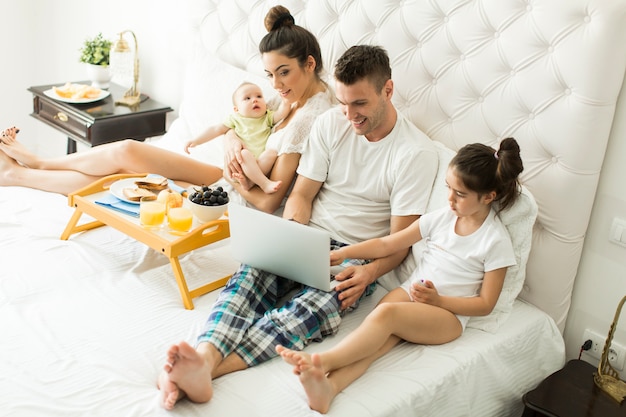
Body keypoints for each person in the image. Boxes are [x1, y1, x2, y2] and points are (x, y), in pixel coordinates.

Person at [157, 43, 439, 410]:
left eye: (360, 104)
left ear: (388, 90)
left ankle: (207, 370)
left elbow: (400, 242)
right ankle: (205, 357)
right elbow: (302, 196)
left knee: (308, 312)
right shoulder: (329, 124)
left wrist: (370, 273)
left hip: (356, 255)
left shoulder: (415, 153)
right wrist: (290, 235)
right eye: (343, 103)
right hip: (306, 235)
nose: (350, 115)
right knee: (246, 281)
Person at [276, 138, 524, 414]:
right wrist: (341, 254)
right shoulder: (442, 217)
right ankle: (329, 388)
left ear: (488, 196)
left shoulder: (494, 241)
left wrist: (439, 301)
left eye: (461, 194)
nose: (450, 199)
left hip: (448, 315)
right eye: (448, 189)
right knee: (376, 335)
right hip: (412, 292)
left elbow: (485, 304)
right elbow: (388, 244)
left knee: (386, 316)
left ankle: (322, 362)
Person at [0, 8, 330, 215]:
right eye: (270, 75)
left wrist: (234, 174)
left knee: (127, 161)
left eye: (283, 72)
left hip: (229, 188)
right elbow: (242, 123)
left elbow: (270, 202)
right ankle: (24, 171)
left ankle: (31, 167)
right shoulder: (288, 97)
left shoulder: (310, 118)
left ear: (309, 63)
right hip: (219, 169)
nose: (275, 84)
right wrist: (231, 140)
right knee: (125, 167)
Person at [184, 81, 292, 193]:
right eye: (247, 98)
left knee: (271, 153)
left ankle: (249, 183)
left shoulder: (267, 117)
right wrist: (196, 140)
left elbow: (281, 113)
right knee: (244, 153)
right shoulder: (236, 119)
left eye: (259, 96)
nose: (255, 100)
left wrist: (286, 101)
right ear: (236, 109)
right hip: (240, 166)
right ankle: (264, 184)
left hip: (260, 166)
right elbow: (216, 129)